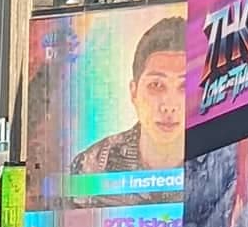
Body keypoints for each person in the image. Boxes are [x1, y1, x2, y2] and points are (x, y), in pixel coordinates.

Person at [67, 11, 184, 179]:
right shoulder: (93, 165)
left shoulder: (220, 162)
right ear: (134, 92)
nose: (169, 106)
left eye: (184, 86)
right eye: (156, 85)